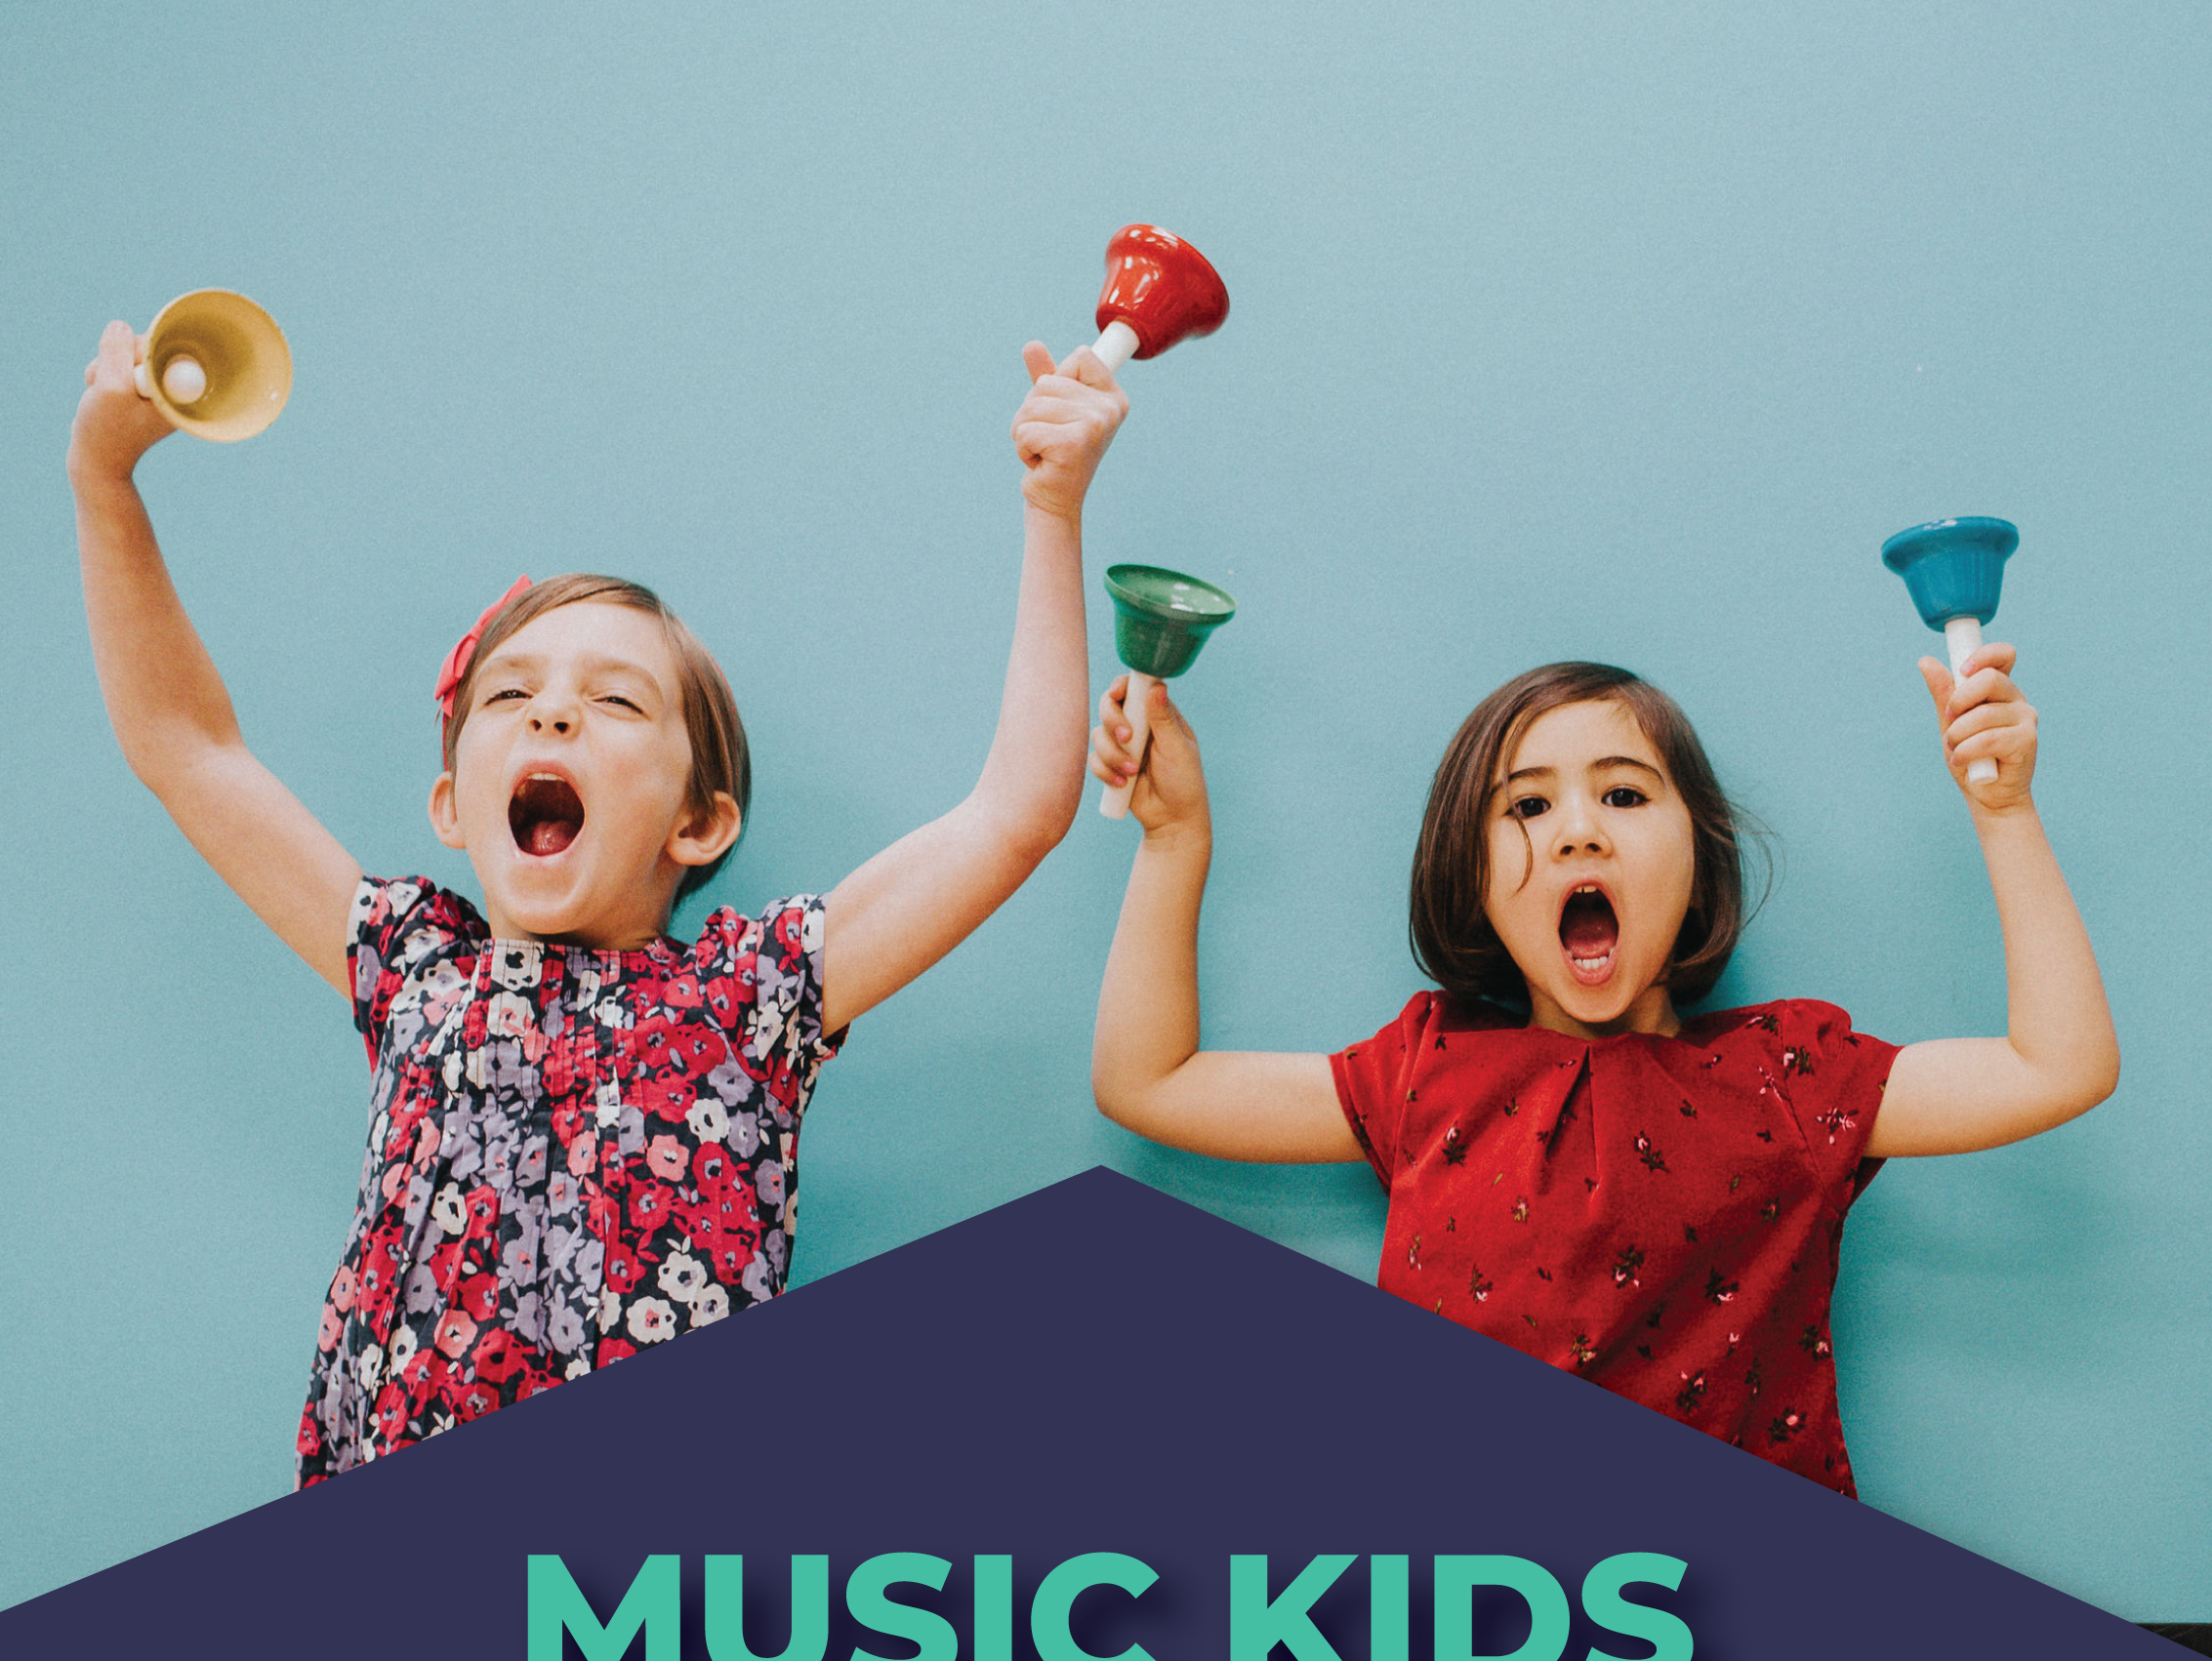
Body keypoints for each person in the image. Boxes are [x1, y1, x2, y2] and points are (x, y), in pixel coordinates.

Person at [68, 319, 1127, 1482]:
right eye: (509, 693)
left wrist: (1052, 511)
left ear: (700, 822)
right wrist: (104, 477)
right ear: (453, 806)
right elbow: (186, 745)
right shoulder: (414, 967)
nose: (551, 714)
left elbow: (1016, 813)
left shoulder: (750, 995)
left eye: (615, 703)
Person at [1086, 653, 2117, 1493]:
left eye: (1622, 794)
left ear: (1698, 855)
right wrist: (1174, 838)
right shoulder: (1425, 1070)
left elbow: (2056, 1066)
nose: (1577, 827)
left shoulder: (1789, 1079)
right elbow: (1149, 1081)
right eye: (1525, 807)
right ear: (1470, 875)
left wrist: (2005, 812)